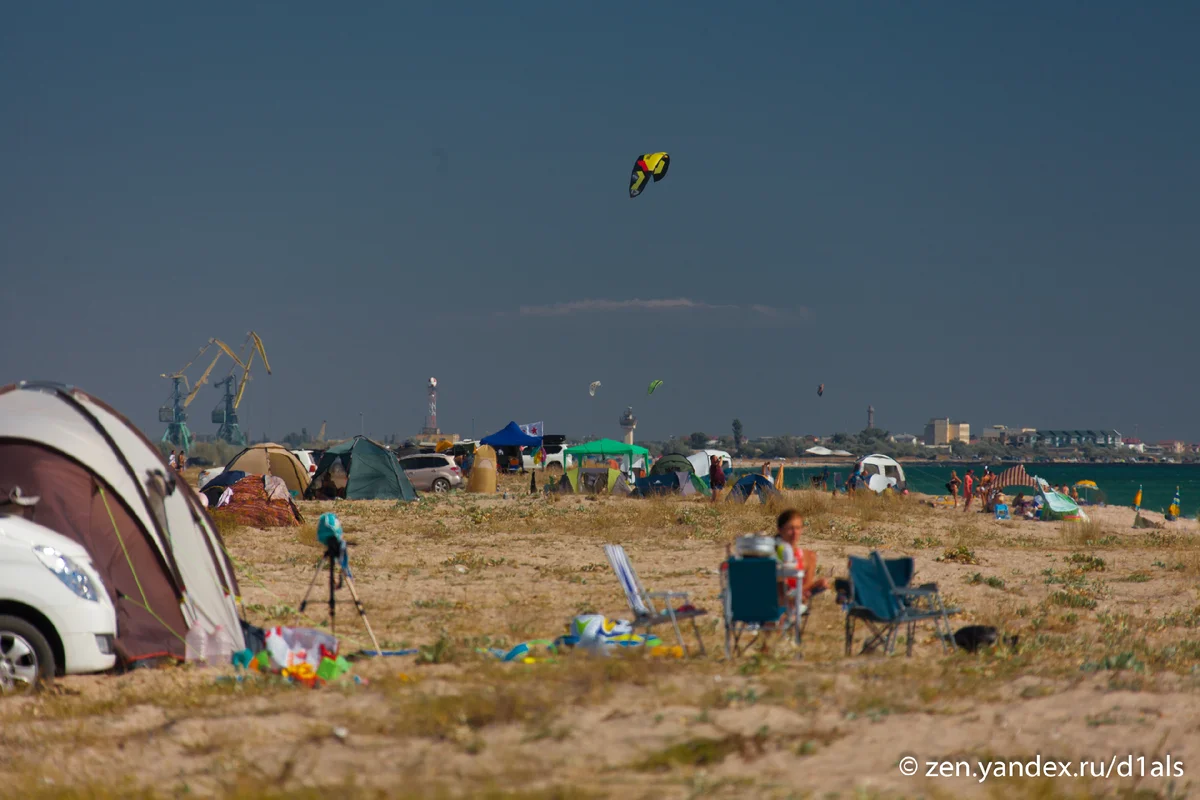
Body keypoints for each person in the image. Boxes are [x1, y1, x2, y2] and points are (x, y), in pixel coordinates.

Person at [775, 509, 828, 603]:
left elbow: (807, 585)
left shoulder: (809, 556)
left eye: (798, 528)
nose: (795, 532)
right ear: (780, 530)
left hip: (794, 603)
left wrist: (814, 586)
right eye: (790, 528)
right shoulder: (772, 554)